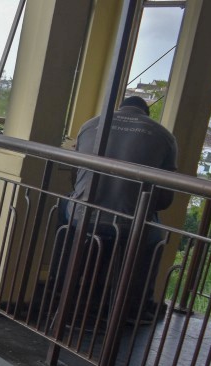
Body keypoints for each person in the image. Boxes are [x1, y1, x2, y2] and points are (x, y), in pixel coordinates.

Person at [61, 96, 178, 324]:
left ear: (121, 108)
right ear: (146, 113)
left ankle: (61, 286)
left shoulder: (90, 125)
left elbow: (75, 180)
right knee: (155, 235)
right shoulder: (164, 136)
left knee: (64, 207)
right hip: (127, 224)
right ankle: (136, 306)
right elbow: (165, 200)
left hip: (82, 216)